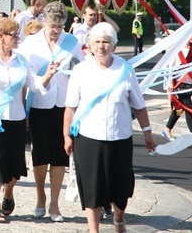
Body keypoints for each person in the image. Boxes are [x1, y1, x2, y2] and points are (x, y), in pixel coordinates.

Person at [63, 22, 157, 233]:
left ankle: (118, 216)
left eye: (106, 42)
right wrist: (67, 136)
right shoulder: (80, 71)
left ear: (113, 45)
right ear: (89, 45)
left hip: (120, 137)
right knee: (91, 186)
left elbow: (139, 105)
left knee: (120, 187)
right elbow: (70, 108)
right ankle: (93, 229)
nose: (101, 46)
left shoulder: (125, 69)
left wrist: (148, 132)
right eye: (96, 42)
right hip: (88, 137)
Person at [0, 17, 56, 223]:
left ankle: (8, 192)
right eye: (14, 35)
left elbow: (34, 86)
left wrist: (48, 75)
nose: (18, 38)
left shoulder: (21, 61)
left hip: (16, 118)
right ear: (1, 36)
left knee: (15, 166)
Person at [19, 1, 84, 222]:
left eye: (60, 26)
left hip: (64, 104)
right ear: (43, 21)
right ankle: (40, 196)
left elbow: (81, 70)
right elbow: (23, 73)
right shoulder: (31, 42)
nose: (55, 31)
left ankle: (55, 204)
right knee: (40, 154)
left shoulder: (72, 41)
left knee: (60, 155)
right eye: (52, 26)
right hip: (39, 102)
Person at [163, 39, 192, 140]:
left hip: (189, 82)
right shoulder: (178, 49)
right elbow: (171, 68)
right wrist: (170, 83)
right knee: (188, 107)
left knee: (179, 108)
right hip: (179, 82)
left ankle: (167, 129)